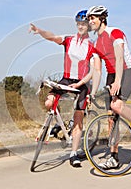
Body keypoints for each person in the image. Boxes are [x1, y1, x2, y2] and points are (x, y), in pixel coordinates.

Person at [29, 10, 100, 167]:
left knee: (78, 119)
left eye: (84, 24)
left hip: (82, 83)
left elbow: (93, 70)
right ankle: (58, 123)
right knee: (49, 103)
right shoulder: (69, 40)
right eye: (79, 24)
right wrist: (40, 31)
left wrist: (82, 84)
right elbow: (53, 37)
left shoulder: (92, 45)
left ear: (89, 26)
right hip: (66, 79)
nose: (81, 26)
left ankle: (73, 153)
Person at [86, 5, 131, 169]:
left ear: (102, 18)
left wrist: (117, 81)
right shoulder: (95, 43)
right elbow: (97, 70)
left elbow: (119, 58)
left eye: (92, 18)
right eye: (88, 19)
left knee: (117, 105)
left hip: (126, 72)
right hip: (111, 75)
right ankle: (114, 157)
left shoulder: (115, 33)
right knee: (111, 118)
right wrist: (92, 92)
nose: (90, 21)